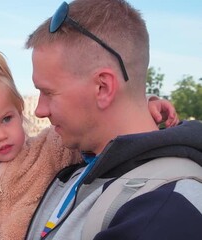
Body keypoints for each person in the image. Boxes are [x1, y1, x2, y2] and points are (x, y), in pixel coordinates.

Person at [0, 33, 178, 239]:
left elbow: (102, 126)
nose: (1, 135)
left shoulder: (48, 149)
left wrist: (144, 104)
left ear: (20, 111)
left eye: (6, 119)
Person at [24, 0, 202, 239]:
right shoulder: (86, 164)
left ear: (103, 87)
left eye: (48, 92)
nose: (39, 110)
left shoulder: (166, 211)